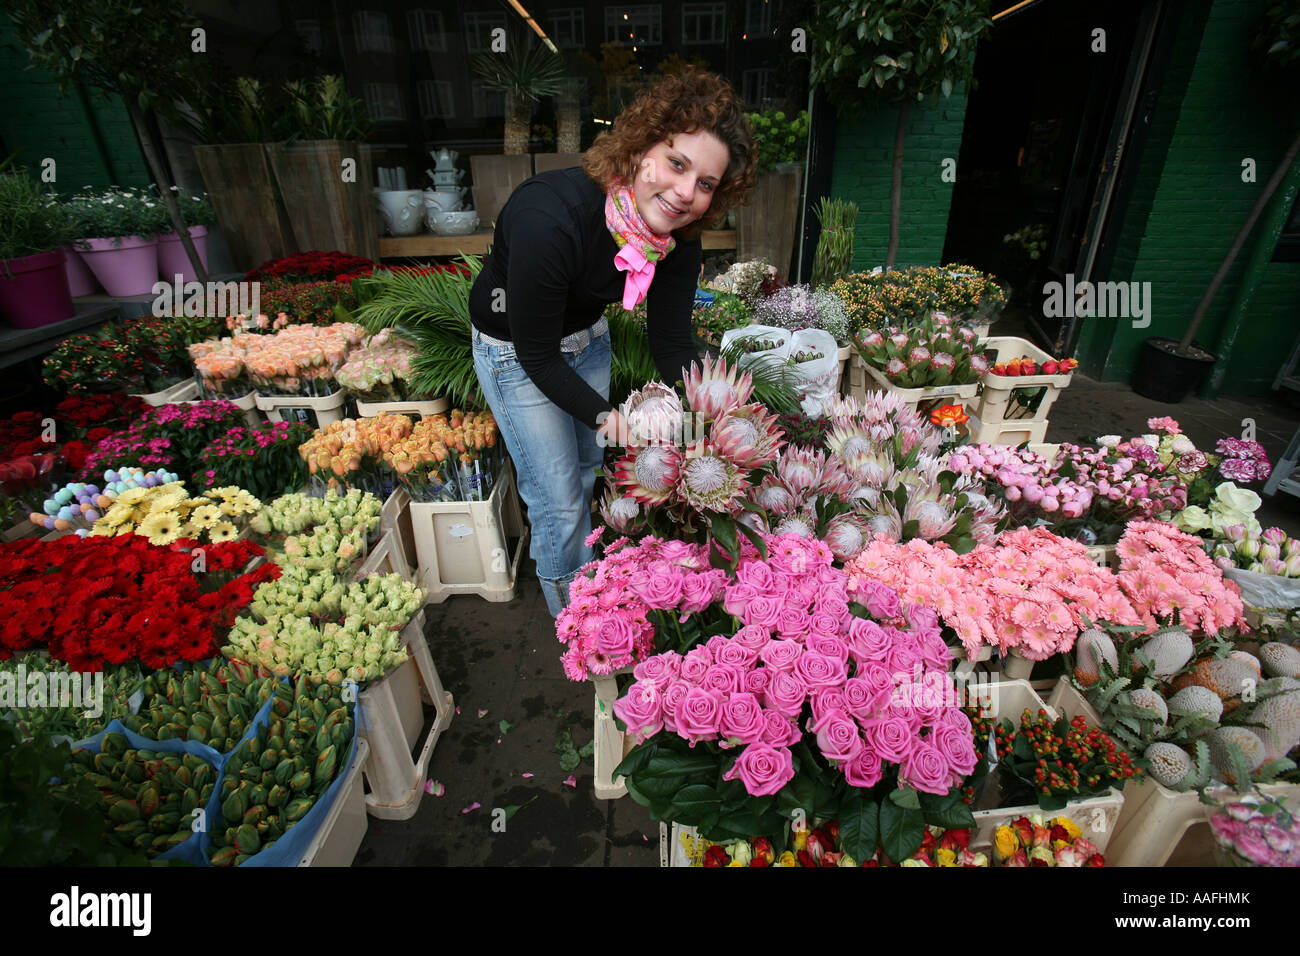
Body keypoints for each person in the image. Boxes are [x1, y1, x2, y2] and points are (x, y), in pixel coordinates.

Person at [468, 69, 756, 617]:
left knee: (584, 475)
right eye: (676, 163)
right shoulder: (548, 217)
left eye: (706, 183)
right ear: (640, 148)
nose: (684, 193)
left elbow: (672, 343)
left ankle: (593, 596)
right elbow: (537, 357)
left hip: (587, 339)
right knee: (557, 505)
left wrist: (717, 409)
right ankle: (577, 631)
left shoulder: (677, 237)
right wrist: (615, 421)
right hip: (516, 352)